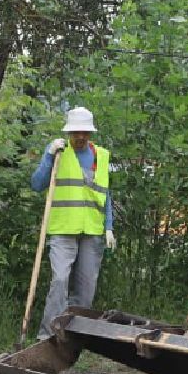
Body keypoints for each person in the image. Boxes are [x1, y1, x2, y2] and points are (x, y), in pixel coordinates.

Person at [31, 106, 115, 339]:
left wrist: (109, 226)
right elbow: (37, 185)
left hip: (92, 231)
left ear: (91, 133)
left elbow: (104, 193)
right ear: (69, 132)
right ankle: (47, 335)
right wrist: (48, 156)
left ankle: (73, 336)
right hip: (63, 229)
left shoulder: (101, 155)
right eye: (76, 132)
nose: (80, 137)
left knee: (86, 289)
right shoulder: (58, 153)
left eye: (85, 133)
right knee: (59, 281)